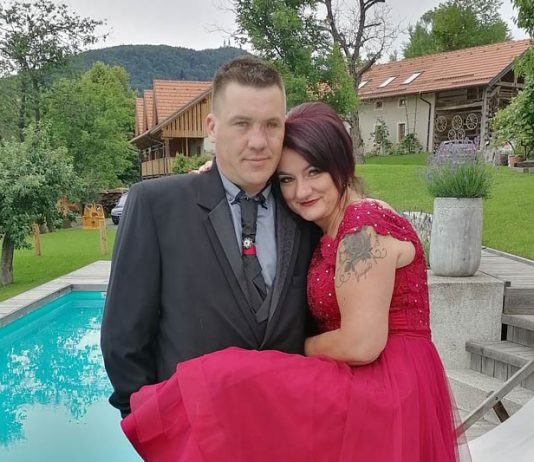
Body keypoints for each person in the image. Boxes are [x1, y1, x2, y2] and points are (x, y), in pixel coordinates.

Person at [119, 102, 471, 462]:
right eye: (287, 179)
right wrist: (219, 175)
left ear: (341, 163)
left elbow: (361, 344)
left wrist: (292, 348)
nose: (301, 191)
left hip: (385, 382)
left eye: (314, 172)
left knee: (229, 376)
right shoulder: (328, 223)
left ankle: (155, 422)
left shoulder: (361, 228)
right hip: (366, 375)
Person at [100, 56, 319, 418]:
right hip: (193, 433)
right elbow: (123, 341)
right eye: (241, 124)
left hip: (290, 427)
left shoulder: (306, 211)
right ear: (212, 128)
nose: (258, 142)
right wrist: (153, 427)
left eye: (271, 125)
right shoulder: (155, 206)